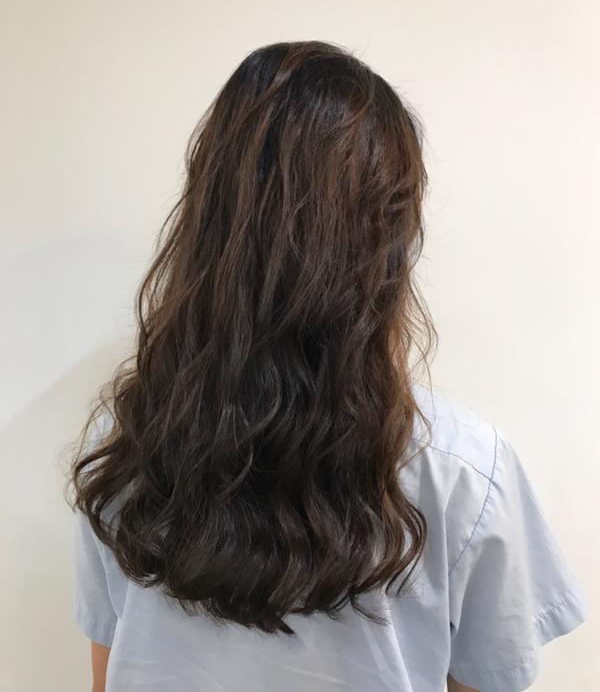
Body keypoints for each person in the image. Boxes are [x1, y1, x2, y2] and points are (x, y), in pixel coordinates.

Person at [66, 40, 587, 692]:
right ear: (389, 236)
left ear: (209, 218)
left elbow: (108, 676)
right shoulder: (463, 472)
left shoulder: (124, 455)